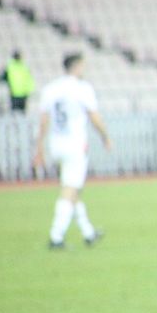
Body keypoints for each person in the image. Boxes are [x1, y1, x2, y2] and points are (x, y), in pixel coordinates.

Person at [33, 52, 111, 249]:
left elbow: (43, 121)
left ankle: (88, 232)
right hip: (75, 144)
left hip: (56, 144)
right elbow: (94, 116)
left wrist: (39, 148)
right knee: (70, 189)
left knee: (71, 187)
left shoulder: (51, 89)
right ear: (76, 67)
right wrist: (105, 136)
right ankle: (56, 236)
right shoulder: (82, 88)